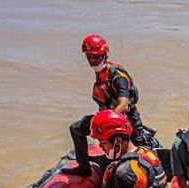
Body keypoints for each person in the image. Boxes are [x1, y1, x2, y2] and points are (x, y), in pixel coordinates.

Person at [62, 34, 157, 177]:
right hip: (106, 119)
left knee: (141, 156)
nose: (92, 61)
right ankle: (84, 168)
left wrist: (106, 121)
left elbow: (123, 104)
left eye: (96, 57)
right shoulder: (101, 74)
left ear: (104, 54)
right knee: (76, 129)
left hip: (124, 122)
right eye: (89, 57)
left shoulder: (118, 77)